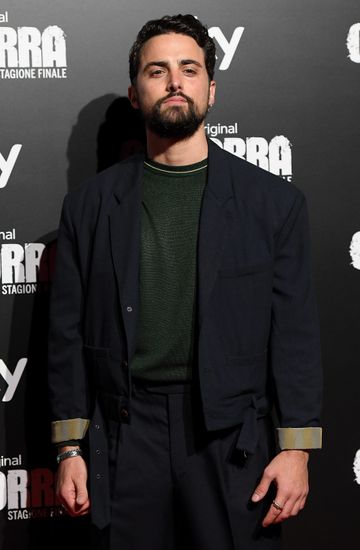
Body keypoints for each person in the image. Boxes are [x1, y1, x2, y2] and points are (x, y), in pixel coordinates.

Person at [48, 14, 322, 550]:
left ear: (211, 89)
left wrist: (296, 450)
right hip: (126, 434)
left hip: (230, 436)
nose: (175, 81)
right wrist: (68, 449)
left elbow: (295, 333)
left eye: (189, 68)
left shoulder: (273, 205)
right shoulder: (88, 207)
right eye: (158, 70)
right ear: (135, 92)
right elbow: (65, 335)